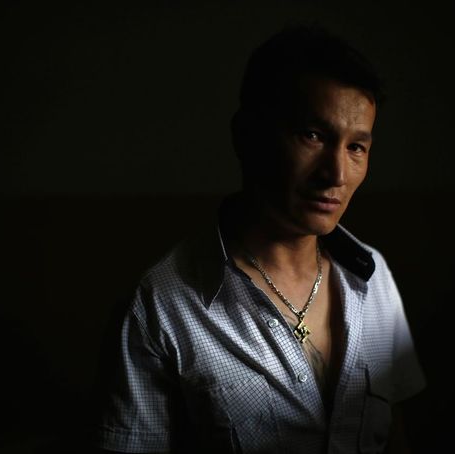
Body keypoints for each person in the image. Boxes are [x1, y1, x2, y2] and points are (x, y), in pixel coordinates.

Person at [91, 25, 426, 454]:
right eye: (313, 136)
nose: (336, 175)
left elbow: (395, 435)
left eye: (356, 147)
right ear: (246, 135)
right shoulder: (160, 307)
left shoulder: (372, 276)